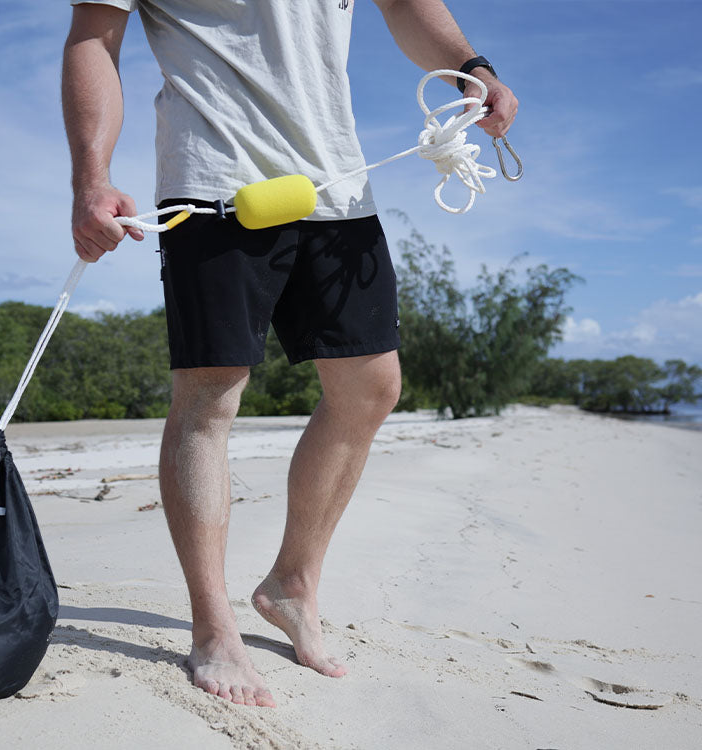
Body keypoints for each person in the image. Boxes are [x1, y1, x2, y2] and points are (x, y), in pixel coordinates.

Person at [62, 0, 518, 708]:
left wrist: (471, 67)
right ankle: (214, 628)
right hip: (215, 178)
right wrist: (91, 176)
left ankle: (291, 585)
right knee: (210, 398)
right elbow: (95, 34)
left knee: (371, 388)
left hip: (337, 183)